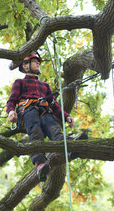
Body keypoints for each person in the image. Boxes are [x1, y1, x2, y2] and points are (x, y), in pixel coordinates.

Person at [6, 51, 76, 182]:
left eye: (38, 61)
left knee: (54, 128)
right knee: (35, 130)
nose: (38, 63)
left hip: (44, 111)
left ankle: (70, 147)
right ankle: (40, 163)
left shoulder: (45, 86)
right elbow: (11, 100)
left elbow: (54, 106)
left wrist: (66, 117)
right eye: (35, 61)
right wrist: (11, 111)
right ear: (25, 65)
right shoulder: (19, 82)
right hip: (27, 111)